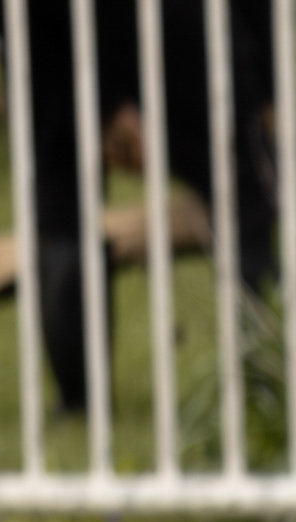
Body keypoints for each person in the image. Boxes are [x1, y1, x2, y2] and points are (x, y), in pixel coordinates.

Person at [17, 0, 281, 415]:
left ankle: (78, 405)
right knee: (247, 193)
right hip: (175, 21)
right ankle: (269, 390)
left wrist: (100, 97)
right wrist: (269, 83)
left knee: (61, 207)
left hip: (48, 28)